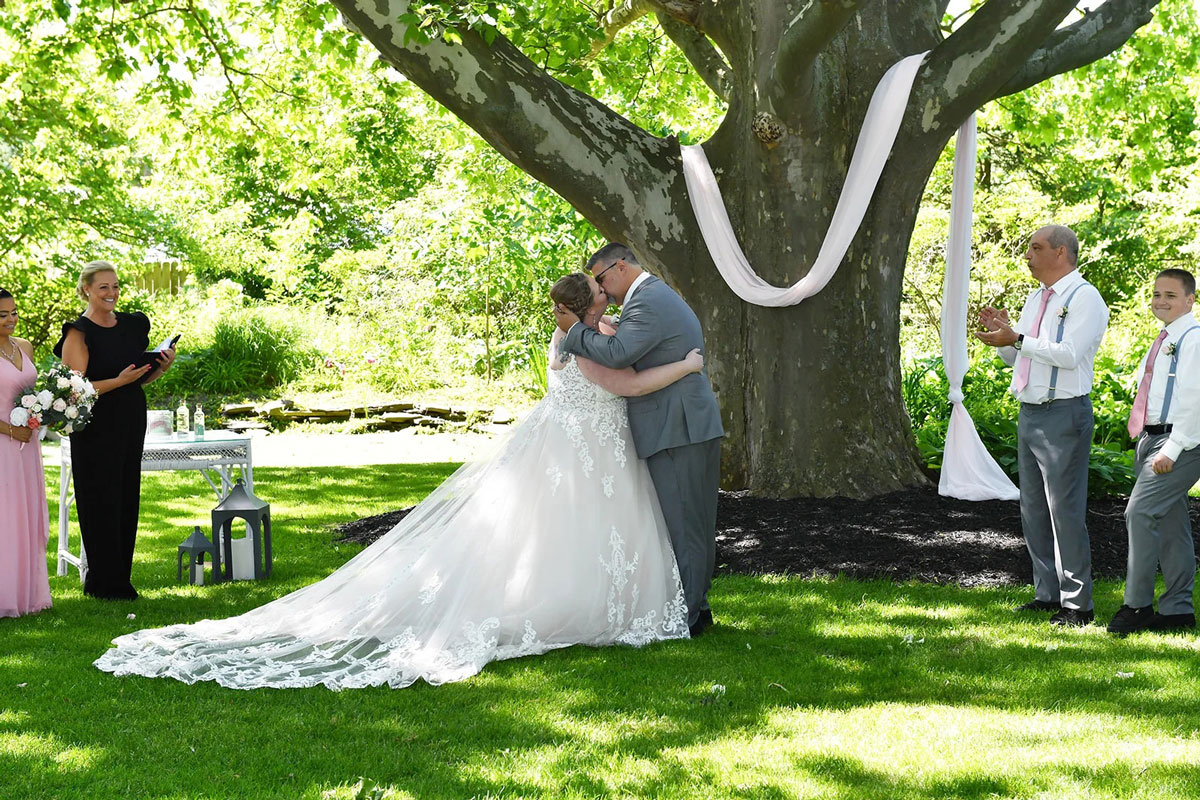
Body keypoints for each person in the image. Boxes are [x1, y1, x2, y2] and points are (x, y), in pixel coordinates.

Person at [94, 273, 702, 690]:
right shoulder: (586, 340)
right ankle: (579, 606)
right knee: (570, 526)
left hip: (585, 447)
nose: (607, 293)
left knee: (557, 530)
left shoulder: (574, 334)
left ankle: (581, 598)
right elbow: (624, 385)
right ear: (588, 304)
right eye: (600, 291)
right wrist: (687, 365)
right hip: (583, 450)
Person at [553, 243, 724, 637]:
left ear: (619, 267)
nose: (602, 289)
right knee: (686, 522)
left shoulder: (646, 301)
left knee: (686, 522)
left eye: (600, 279)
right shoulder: (650, 297)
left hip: (678, 426)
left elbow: (620, 353)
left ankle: (692, 614)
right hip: (679, 425)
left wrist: (573, 331)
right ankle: (695, 605)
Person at [976, 225, 1109, 627]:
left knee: (1064, 510)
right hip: (1030, 413)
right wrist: (1005, 339)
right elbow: (1020, 360)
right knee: (1033, 509)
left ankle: (1078, 605)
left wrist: (1016, 338)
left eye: (1036, 248)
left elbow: (1068, 356)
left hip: (1064, 413)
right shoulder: (1036, 298)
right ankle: (1046, 594)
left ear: (1061, 253)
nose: (1028, 255)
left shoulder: (1086, 298)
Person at [54, 261, 175, 600]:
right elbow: (74, 390)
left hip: (130, 416)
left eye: (116, 286)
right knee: (99, 497)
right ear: (87, 290)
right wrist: (118, 381)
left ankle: (119, 577)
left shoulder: (134, 325)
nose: (112, 293)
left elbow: (141, 377)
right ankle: (104, 582)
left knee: (125, 495)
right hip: (94, 423)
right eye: (103, 287)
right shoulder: (79, 332)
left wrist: (162, 368)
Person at [1108, 269, 1200, 635]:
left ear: (1191, 300)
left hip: (1179, 443)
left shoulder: (1193, 339)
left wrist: (1172, 449)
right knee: (1171, 524)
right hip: (1152, 438)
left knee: (1140, 513)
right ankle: (1178, 609)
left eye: (1171, 295)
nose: (1161, 301)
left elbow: (1195, 401)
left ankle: (1137, 605)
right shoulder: (1166, 338)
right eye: (1157, 294)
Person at [0, 288, 53, 618]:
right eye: (3, 315)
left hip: (28, 446)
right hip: (3, 445)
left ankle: (30, 595)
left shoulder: (25, 346)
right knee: (5, 517)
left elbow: (35, 390)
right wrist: (9, 429)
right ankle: (6, 595)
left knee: (26, 514)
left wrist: (46, 411)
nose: (11, 319)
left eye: (14, 312)